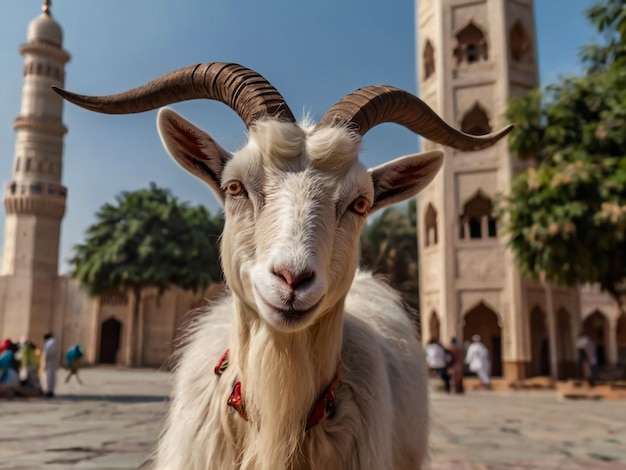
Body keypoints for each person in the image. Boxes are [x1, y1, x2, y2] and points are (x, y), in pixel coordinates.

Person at [41, 332, 60, 397]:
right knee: (52, 377)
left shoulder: (49, 343)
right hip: (53, 362)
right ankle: (51, 390)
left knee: (49, 377)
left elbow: (47, 352)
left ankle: (49, 391)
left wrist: (44, 361)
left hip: (49, 362)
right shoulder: (54, 342)